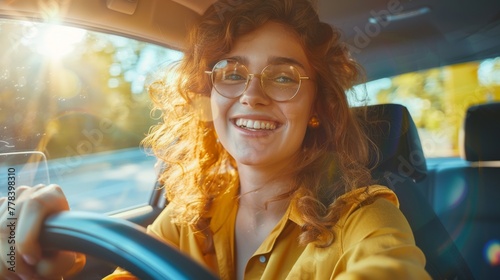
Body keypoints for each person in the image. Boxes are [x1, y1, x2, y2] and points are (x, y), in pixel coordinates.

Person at [0, 0, 431, 279]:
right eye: (232, 74)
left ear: (317, 108)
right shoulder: (187, 220)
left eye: (283, 77)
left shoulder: (368, 223)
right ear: (209, 99)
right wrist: (32, 263)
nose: (252, 95)